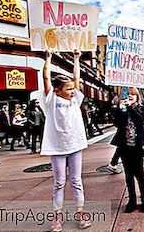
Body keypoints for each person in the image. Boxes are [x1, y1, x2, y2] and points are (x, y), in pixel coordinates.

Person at [41, 49, 91, 231]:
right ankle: (57, 217)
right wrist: (48, 59)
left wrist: (77, 59)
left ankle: (80, 212)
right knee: (59, 182)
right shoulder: (51, 99)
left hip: (75, 144)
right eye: (68, 88)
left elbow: (76, 79)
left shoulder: (75, 99)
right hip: (57, 147)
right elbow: (46, 78)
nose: (72, 90)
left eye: (72, 88)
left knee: (76, 181)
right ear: (57, 90)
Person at [110, 87, 144, 213]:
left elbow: (140, 120)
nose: (130, 96)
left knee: (140, 174)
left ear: (137, 97)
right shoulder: (120, 109)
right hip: (125, 146)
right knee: (129, 175)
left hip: (138, 146)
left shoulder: (140, 107)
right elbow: (117, 123)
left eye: (133, 94)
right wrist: (121, 109)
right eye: (128, 95)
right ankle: (132, 200)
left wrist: (130, 107)